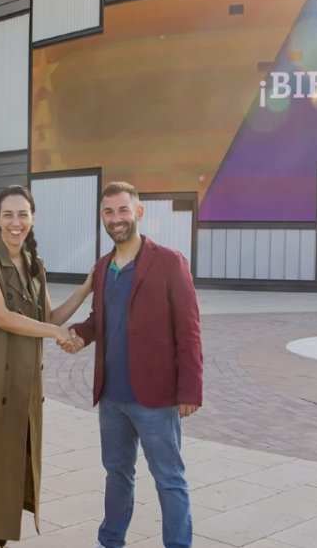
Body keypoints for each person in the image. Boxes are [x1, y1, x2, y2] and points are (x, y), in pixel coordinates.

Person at [0, 185, 92, 547]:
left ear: (33, 218)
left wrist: (86, 288)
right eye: (8, 214)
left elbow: (49, 316)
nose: (16, 222)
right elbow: (1, 316)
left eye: (22, 214)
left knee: (10, 469)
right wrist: (56, 333)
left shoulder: (34, 264)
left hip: (23, 387)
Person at [61, 181, 203, 548]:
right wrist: (78, 333)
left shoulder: (170, 261)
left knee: (169, 477)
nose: (116, 218)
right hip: (112, 396)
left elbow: (189, 330)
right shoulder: (103, 266)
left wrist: (190, 389)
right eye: (109, 212)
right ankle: (110, 542)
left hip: (156, 398)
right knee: (117, 474)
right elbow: (99, 320)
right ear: (102, 218)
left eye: (123, 210)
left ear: (138, 212)